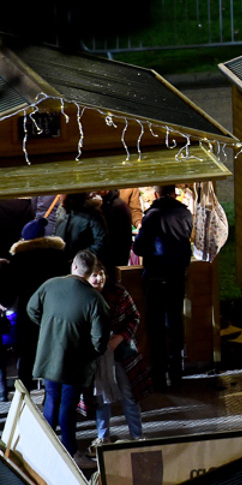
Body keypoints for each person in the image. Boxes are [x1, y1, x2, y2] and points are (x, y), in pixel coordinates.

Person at [27, 251, 110, 458]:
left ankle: (45, 446)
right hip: (76, 363)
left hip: (49, 355)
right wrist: (88, 352)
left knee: (52, 398)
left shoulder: (50, 285)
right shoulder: (95, 300)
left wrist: (49, 329)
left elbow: (31, 309)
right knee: (68, 403)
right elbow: (100, 340)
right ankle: (69, 450)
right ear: (90, 271)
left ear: (73, 266)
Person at [132, 185, 192, 390]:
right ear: (174, 193)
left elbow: (139, 247)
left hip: (156, 277)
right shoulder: (185, 212)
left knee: (156, 327)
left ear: (155, 194)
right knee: (175, 323)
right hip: (177, 276)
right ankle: (177, 374)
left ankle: (159, 375)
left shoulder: (153, 215)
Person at [87, 267, 151, 451]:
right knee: (100, 397)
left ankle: (137, 435)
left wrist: (121, 336)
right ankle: (102, 436)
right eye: (94, 275)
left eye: (102, 274)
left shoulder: (118, 292)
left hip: (120, 352)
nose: (99, 278)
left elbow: (134, 316)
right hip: (96, 355)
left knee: (128, 394)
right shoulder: (83, 295)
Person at [6, 217, 66, 389]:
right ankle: (51, 402)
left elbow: (10, 293)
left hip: (28, 316)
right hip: (55, 315)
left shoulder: (19, 259)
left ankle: (26, 401)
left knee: (26, 361)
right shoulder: (59, 256)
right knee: (54, 359)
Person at [59, 192, 107, 262]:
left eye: (62, 193)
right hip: (63, 261)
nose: (60, 196)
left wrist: (80, 257)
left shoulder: (92, 212)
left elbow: (101, 240)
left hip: (81, 264)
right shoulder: (63, 210)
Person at [98, 189, 134, 272]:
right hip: (112, 258)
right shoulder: (108, 204)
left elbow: (122, 239)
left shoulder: (117, 206)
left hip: (113, 259)